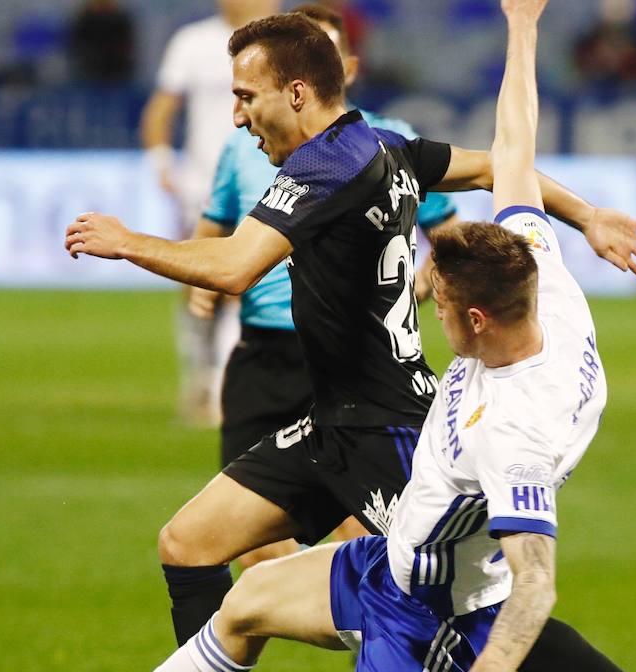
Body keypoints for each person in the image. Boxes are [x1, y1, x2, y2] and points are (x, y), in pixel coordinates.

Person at [10, 0, 636, 672]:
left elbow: (233, 269)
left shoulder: (496, 415)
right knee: (201, 554)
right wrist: (577, 198)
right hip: (332, 418)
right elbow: (511, 160)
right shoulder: (396, 156)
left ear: (298, 92)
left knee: (476, 612)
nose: (236, 112)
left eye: (246, 95)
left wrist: (124, 244)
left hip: (391, 434)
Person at [191, 3, 460, 569]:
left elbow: (451, 235)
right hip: (265, 354)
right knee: (238, 542)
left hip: (356, 367)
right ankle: (318, 621)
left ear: (338, 71)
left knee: (363, 538)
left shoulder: (382, 146)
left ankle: (369, 627)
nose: (240, 112)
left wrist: (416, 290)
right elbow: (216, 221)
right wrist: (202, 276)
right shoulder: (244, 144)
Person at [141, 0, 280, 425]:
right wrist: (162, 161)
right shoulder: (193, 42)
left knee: (247, 283)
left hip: (269, 178)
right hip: (204, 184)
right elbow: (161, 110)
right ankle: (198, 377)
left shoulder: (284, 43)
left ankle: (226, 383)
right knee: (196, 283)